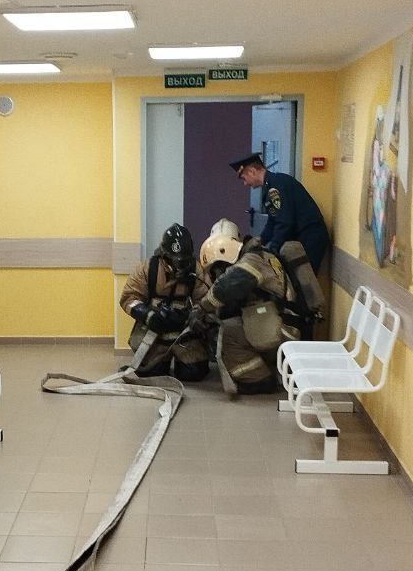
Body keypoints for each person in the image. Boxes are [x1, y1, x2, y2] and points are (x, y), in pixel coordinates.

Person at [193, 227, 299, 392]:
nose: (221, 272)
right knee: (231, 324)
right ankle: (266, 368)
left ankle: (258, 379)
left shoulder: (251, 261)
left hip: (282, 328)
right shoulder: (259, 255)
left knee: (227, 334)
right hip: (282, 322)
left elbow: (226, 287)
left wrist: (201, 308)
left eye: (220, 267)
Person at [119, 223, 209, 380]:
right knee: (151, 373)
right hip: (154, 332)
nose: (178, 265)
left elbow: (206, 301)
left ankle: (183, 360)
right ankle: (159, 360)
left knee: (193, 373)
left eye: (183, 260)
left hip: (183, 333)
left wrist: (190, 315)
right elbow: (129, 297)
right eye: (173, 260)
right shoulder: (148, 268)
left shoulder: (197, 270)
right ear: (163, 254)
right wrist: (148, 316)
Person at [229, 152, 330, 273]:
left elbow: (285, 221)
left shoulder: (276, 185)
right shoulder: (270, 186)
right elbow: (273, 221)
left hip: (310, 238)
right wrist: (260, 241)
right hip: (303, 237)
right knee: (293, 278)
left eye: (244, 178)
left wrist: (273, 249)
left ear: (252, 171)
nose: (245, 183)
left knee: (304, 279)